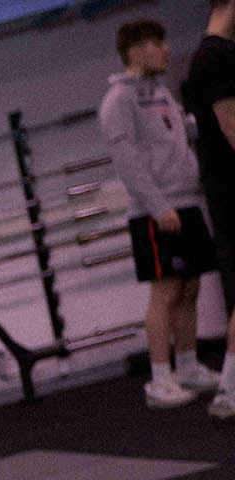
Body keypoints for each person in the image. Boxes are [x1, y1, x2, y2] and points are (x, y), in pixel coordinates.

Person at [101, 18, 221, 408]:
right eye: (159, 43)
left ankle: (187, 366)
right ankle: (159, 379)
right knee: (165, 292)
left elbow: (181, 132)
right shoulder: (119, 101)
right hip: (157, 210)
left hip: (186, 201)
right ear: (136, 51)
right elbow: (128, 162)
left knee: (190, 288)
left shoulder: (161, 92)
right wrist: (159, 206)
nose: (167, 49)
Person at [184, 0, 235, 419]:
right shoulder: (218, 57)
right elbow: (232, 126)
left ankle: (231, 391)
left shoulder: (209, 56)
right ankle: (231, 391)